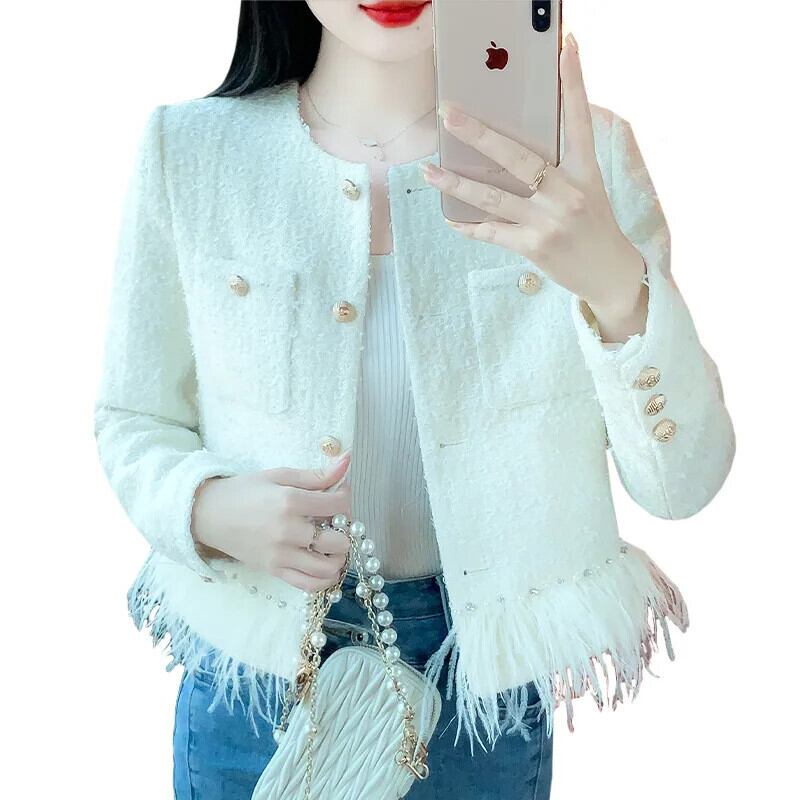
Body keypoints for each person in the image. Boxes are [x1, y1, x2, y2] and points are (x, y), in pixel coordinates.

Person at [93, 2, 736, 798]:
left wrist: (613, 281)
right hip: (255, 674)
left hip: (479, 683)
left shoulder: (582, 162)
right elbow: (133, 417)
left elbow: (683, 484)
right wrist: (208, 507)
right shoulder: (190, 151)